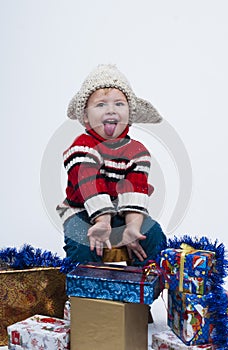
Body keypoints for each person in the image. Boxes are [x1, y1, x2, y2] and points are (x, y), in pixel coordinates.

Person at [57, 64, 167, 266]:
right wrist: (103, 221)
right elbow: (88, 182)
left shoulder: (137, 151)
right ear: (85, 117)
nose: (111, 110)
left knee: (153, 235)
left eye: (119, 104)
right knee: (82, 244)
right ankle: (86, 293)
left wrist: (133, 226)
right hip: (82, 212)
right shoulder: (82, 146)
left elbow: (135, 188)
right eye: (100, 105)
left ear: (130, 114)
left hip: (121, 211)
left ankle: (142, 286)